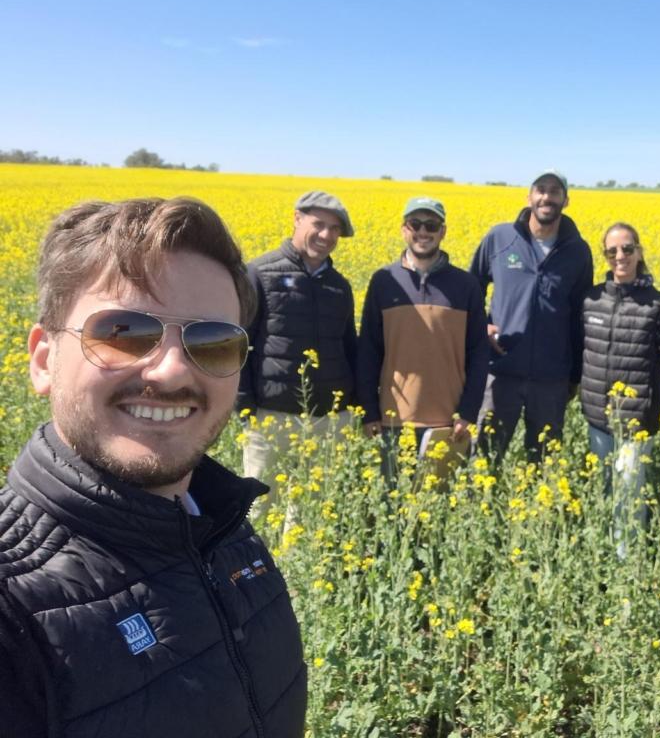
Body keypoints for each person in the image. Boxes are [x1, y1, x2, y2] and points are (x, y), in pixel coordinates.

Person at [0, 198, 306, 737]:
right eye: (122, 333)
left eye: (211, 341)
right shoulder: (13, 610)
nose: (169, 371)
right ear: (44, 359)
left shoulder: (224, 527)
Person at [237, 190, 358, 521]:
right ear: (297, 218)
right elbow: (238, 342)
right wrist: (246, 407)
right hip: (272, 416)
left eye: (335, 229)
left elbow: (349, 346)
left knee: (308, 512)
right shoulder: (260, 273)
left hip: (328, 419)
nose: (326, 235)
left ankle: (292, 573)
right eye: (319, 224)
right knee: (259, 510)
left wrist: (355, 406)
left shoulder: (339, 285)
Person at [357, 197, 489, 481]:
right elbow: (368, 349)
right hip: (392, 420)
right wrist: (369, 411)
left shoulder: (465, 285)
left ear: (442, 231)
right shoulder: (384, 281)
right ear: (404, 230)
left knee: (439, 509)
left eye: (431, 225)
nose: (423, 231)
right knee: (391, 503)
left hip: (448, 422)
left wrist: (467, 412)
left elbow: (479, 353)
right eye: (415, 224)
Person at [469, 169, 594, 463]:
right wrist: (481, 329)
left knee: (545, 464)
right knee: (483, 458)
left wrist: (574, 375)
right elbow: (471, 289)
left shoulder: (578, 250)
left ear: (566, 200)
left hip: (551, 379)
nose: (546, 197)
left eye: (555, 191)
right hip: (499, 372)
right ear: (529, 197)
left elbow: (580, 316)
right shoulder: (500, 237)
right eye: (540, 190)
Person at [580, 223, 660, 557]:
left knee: (629, 492)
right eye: (612, 251)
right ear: (605, 256)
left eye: (627, 249)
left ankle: (627, 562)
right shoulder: (591, 300)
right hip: (596, 415)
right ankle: (601, 555)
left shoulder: (657, 304)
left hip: (636, 420)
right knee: (603, 488)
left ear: (639, 251)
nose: (620, 256)